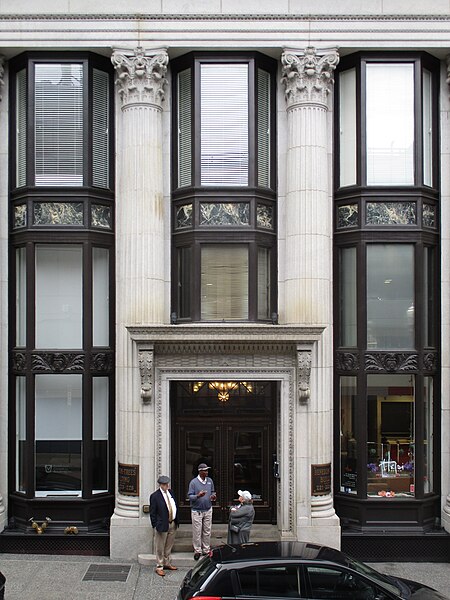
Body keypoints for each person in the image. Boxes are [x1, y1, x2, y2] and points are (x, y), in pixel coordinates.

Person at [149, 475, 179, 577]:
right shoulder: (155, 496)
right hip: (162, 524)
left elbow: (175, 505)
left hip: (172, 523)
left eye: (167, 483)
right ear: (160, 485)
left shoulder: (171, 493)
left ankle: (167, 563)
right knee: (160, 547)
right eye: (165, 484)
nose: (167, 485)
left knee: (168, 545)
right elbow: (152, 512)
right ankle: (159, 566)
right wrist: (155, 524)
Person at [187, 463, 217, 560]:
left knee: (207, 531)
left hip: (208, 508)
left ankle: (206, 549)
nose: (207, 472)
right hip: (197, 510)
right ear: (200, 472)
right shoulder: (193, 482)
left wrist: (213, 496)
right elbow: (190, 496)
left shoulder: (210, 481)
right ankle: (197, 550)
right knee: (197, 531)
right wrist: (198, 496)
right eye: (205, 470)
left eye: (207, 470)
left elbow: (212, 491)